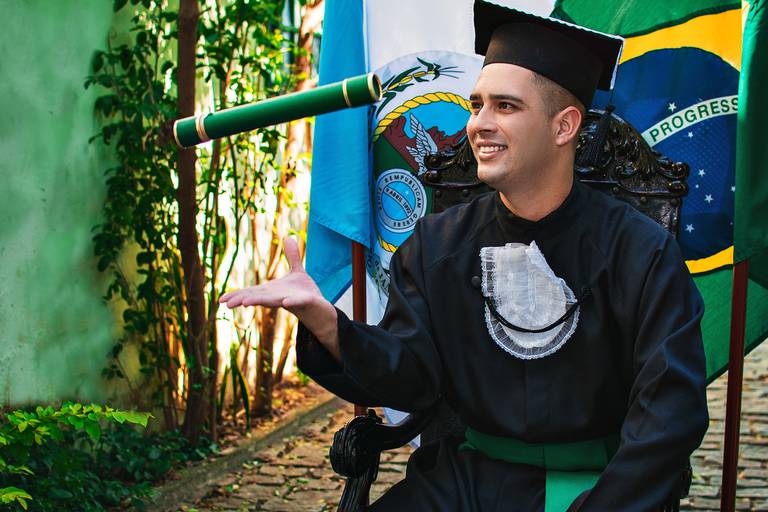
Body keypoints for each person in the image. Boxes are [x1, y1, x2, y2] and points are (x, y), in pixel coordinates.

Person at [220, 1, 709, 510]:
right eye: (476, 105)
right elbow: (409, 373)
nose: (478, 124)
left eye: (505, 106)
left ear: (564, 127)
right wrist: (327, 323)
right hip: (466, 481)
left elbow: (669, 414)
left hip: (597, 485)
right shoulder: (436, 244)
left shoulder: (642, 252)